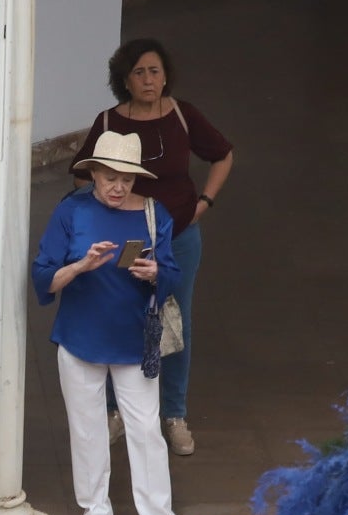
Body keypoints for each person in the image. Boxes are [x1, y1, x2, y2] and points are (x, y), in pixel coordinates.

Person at [33, 130, 183, 515]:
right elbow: (44, 276)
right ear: (93, 173)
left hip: (134, 341)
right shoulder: (71, 211)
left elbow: (172, 275)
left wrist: (154, 271)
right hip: (80, 338)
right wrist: (82, 265)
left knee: (145, 433)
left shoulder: (156, 215)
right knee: (86, 430)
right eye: (109, 177)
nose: (118, 187)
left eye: (127, 179)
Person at [79, 38, 234, 457]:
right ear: (124, 80)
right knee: (126, 314)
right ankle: (117, 411)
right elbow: (82, 175)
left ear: (165, 75)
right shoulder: (110, 122)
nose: (149, 80)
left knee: (174, 320)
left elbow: (222, 154)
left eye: (155, 71)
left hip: (179, 237)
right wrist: (108, 210)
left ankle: (174, 414)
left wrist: (205, 202)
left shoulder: (183, 114)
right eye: (139, 73)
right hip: (130, 240)